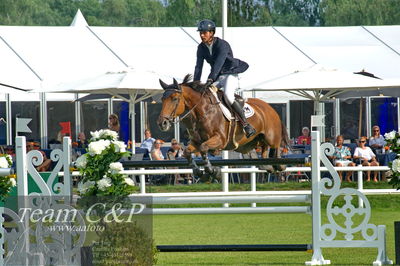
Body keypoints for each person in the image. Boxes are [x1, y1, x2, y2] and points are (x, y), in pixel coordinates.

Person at [193, 19, 255, 138]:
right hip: (218, 76)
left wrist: (210, 79)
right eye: (200, 33)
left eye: (204, 32)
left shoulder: (222, 44)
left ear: (212, 33)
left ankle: (246, 125)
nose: (201, 35)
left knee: (227, 95)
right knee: (205, 95)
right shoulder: (201, 47)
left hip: (230, 73)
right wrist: (195, 83)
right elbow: (198, 66)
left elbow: (219, 63)